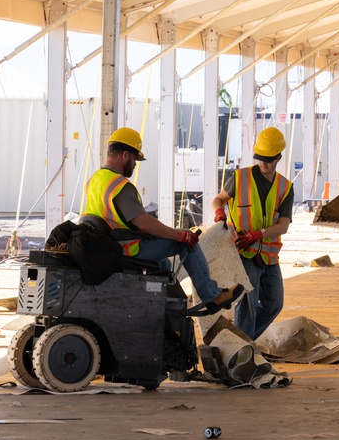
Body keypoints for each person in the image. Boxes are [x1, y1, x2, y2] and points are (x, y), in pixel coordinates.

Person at [81, 127, 242, 312]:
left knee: (164, 264)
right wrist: (179, 235)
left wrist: (173, 233)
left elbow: (115, 219)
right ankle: (212, 296)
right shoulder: (120, 186)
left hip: (110, 245)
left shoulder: (94, 180)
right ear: (125, 155)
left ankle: (165, 308)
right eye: (134, 159)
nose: (134, 164)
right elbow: (142, 223)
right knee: (186, 242)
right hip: (127, 247)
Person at [210, 126, 294, 340]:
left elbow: (283, 226)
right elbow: (218, 199)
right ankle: (241, 349)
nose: (264, 163)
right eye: (260, 158)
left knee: (275, 303)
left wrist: (258, 234)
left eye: (269, 159)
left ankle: (240, 341)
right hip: (243, 252)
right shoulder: (239, 178)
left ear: (279, 157)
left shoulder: (285, 187)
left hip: (269, 255)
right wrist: (219, 211)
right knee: (247, 305)